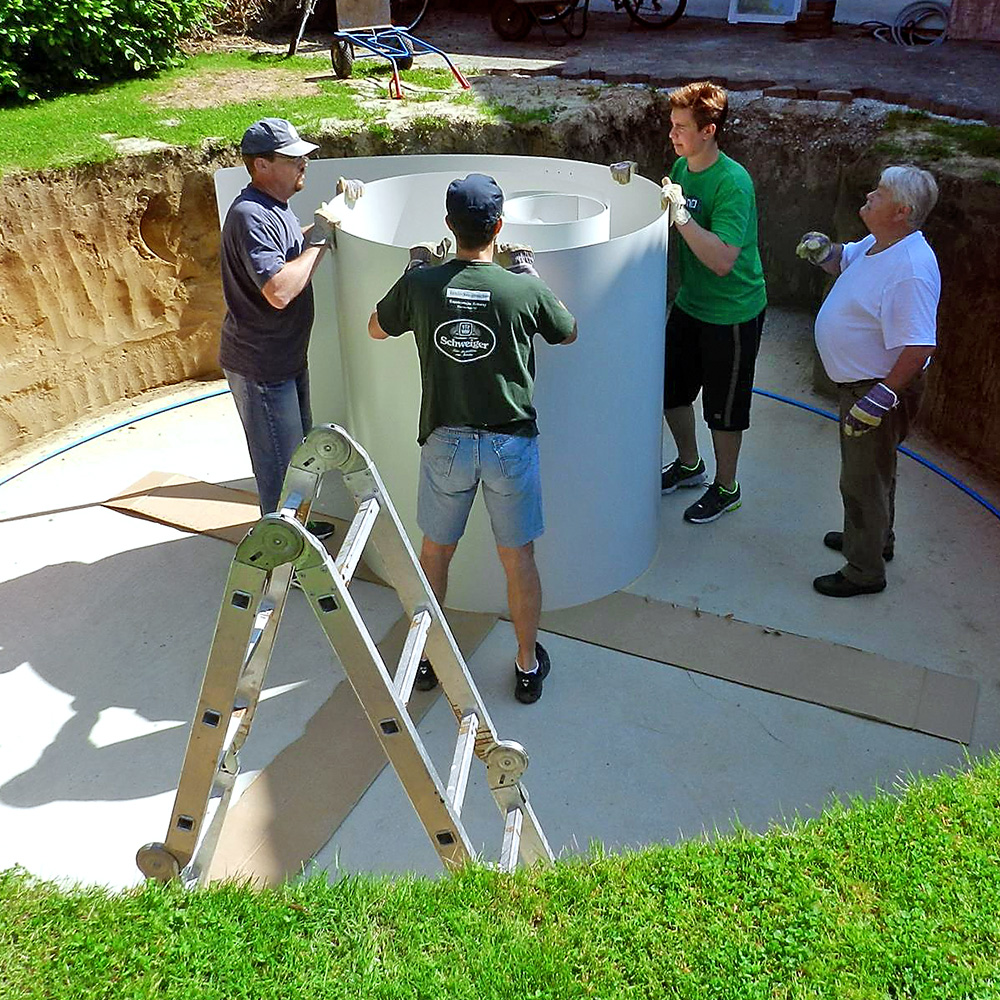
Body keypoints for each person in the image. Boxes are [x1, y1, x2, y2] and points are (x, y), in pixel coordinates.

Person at [368, 174, 577, 704]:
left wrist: (415, 269)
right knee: (518, 558)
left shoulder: (422, 286)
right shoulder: (522, 288)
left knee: (435, 553)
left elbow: (375, 327)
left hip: (447, 443)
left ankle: (427, 660)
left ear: (448, 227)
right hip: (510, 444)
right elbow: (567, 329)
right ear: (499, 228)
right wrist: (526, 270)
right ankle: (528, 665)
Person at [797, 164, 940, 597]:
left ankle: (864, 570)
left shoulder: (911, 269)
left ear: (902, 210)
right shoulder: (881, 244)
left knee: (862, 480)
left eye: (878, 193)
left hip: (877, 388)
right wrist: (826, 253)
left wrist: (879, 399)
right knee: (876, 472)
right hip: (865, 384)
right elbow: (846, 259)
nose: (869, 196)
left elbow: (918, 347)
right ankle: (875, 538)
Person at [220, 117, 360, 536]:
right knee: (281, 471)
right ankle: (286, 556)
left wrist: (330, 218)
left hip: (283, 360)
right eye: (294, 157)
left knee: (297, 461)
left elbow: (285, 252)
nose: (305, 163)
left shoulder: (272, 209)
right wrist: (320, 239)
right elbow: (279, 290)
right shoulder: (250, 215)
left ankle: (294, 534)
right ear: (262, 166)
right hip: (263, 369)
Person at [657, 81, 767, 524]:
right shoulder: (682, 168)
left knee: (723, 411)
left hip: (733, 313)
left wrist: (681, 215)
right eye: (671, 125)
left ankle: (727, 487)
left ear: (709, 130)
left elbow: (722, 259)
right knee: (669, 392)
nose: (673, 135)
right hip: (691, 305)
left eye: (681, 127)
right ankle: (689, 464)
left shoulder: (733, 183)